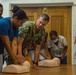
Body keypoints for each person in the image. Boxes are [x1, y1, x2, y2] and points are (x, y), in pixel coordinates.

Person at [0, 5, 28, 72]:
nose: (21, 25)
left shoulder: (16, 27)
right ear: (15, 18)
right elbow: (6, 44)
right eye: (21, 23)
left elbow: (14, 43)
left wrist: (16, 57)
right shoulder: (3, 23)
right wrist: (15, 60)